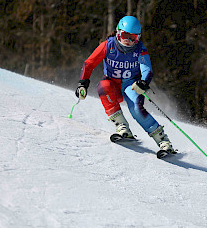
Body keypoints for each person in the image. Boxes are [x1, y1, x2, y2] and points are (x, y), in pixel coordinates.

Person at [75, 16, 176, 153]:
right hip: (113, 86)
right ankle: (123, 128)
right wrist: (83, 83)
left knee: (136, 109)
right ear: (118, 32)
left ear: (138, 38)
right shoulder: (108, 45)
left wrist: (143, 82)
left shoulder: (140, 49)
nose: (128, 41)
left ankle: (163, 142)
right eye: (125, 36)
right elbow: (89, 64)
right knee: (103, 86)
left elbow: (147, 69)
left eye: (132, 38)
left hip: (131, 86)